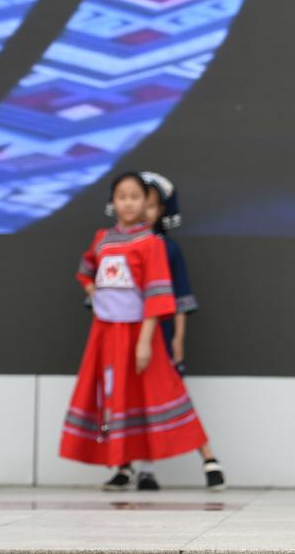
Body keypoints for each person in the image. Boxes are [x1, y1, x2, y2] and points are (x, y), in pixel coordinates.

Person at [60, 172, 224, 492]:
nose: (129, 203)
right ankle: (122, 465)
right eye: (122, 196)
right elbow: (86, 270)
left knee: (164, 393)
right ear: (113, 202)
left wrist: (150, 340)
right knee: (114, 395)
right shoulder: (102, 239)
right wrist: (95, 293)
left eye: (136, 197)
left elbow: (158, 294)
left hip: (142, 333)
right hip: (107, 333)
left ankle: (206, 460)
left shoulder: (153, 244)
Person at [140, 170, 226, 491]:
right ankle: (132, 467)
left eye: (149, 204)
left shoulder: (167, 249)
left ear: (162, 210)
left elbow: (179, 298)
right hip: (124, 334)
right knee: (122, 403)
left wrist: (177, 338)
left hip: (159, 334)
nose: (140, 210)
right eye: (132, 200)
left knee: (173, 397)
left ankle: (209, 458)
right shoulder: (111, 246)